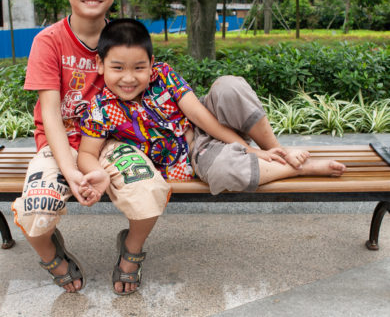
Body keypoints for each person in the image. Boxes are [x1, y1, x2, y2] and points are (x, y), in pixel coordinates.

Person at [77, 17, 347, 272]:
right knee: (225, 172)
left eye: (139, 67)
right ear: (100, 65)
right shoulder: (100, 108)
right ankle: (298, 167)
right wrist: (96, 173)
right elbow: (88, 152)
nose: (128, 78)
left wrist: (250, 148)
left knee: (229, 86)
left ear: (151, 63)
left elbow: (199, 116)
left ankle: (276, 150)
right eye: (117, 68)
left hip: (207, 126)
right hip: (196, 154)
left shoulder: (163, 75)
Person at [12, 0, 170, 296]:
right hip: (60, 144)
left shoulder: (124, 38)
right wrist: (72, 172)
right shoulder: (48, 42)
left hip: (112, 142)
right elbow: (50, 113)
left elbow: (153, 92)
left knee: (149, 193)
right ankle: (54, 257)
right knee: (34, 215)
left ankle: (131, 251)